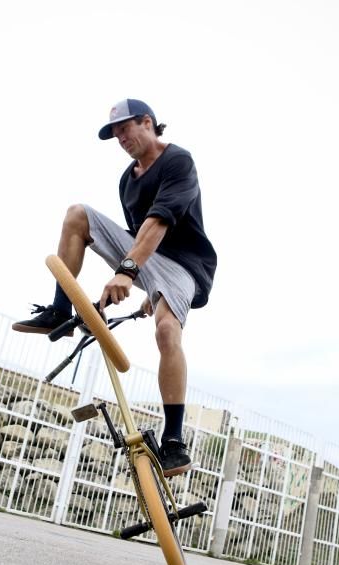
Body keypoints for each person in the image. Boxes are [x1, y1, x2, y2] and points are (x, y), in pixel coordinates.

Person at [13, 99, 217, 477]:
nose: (121, 138)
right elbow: (137, 237)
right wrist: (141, 280)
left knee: (167, 330)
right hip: (146, 259)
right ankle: (60, 308)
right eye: (115, 134)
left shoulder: (178, 161)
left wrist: (128, 273)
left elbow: (159, 223)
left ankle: (174, 441)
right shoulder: (127, 181)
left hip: (186, 266)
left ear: (148, 123)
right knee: (78, 214)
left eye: (126, 128)